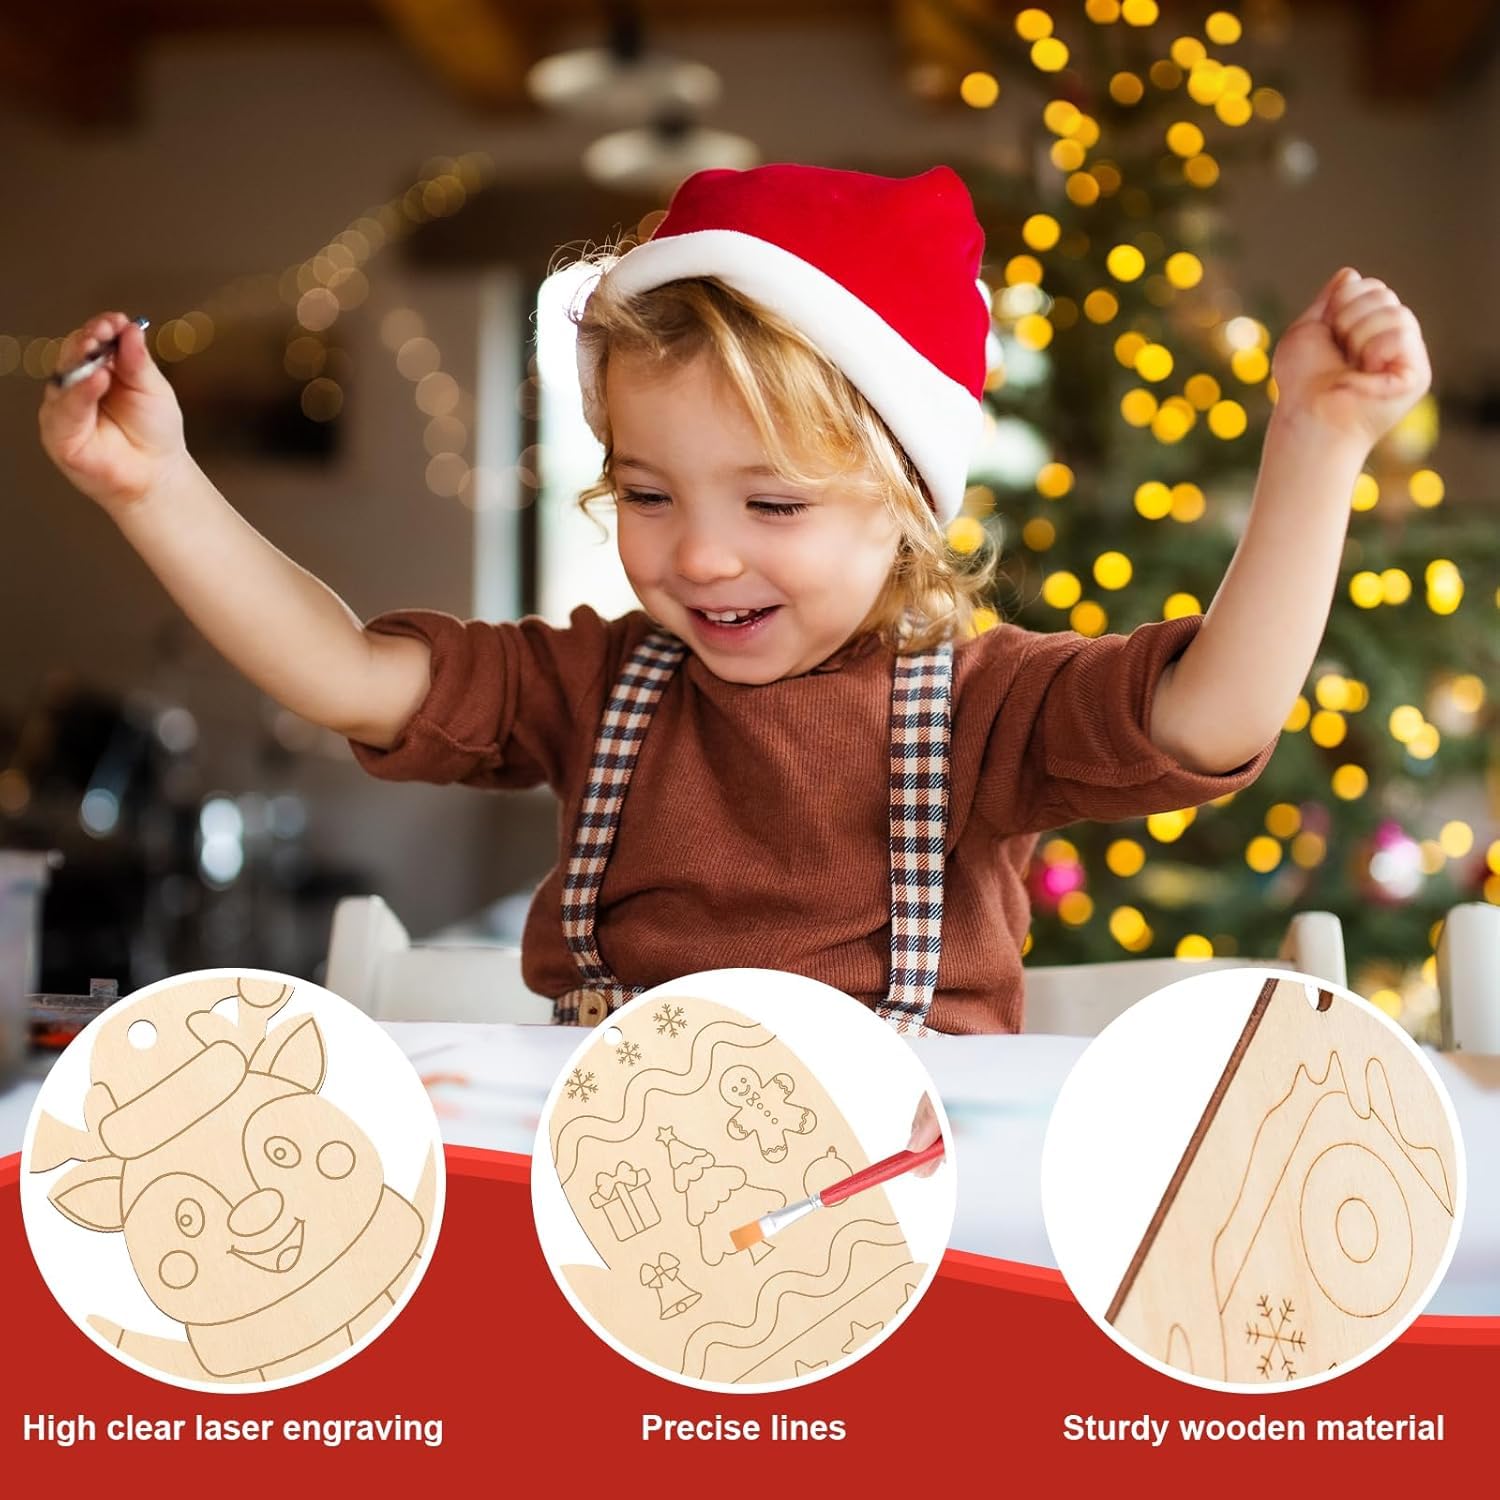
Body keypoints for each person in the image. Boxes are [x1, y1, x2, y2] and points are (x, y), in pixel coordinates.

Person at [37, 164, 1431, 1036]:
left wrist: (1315, 448)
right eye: (648, 495)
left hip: (902, 1207)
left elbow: (1214, 713)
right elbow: (343, 670)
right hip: (615, 1184)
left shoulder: (989, 707)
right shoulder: (598, 686)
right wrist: (154, 488)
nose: (700, 559)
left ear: (908, 507)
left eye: (772, 505)